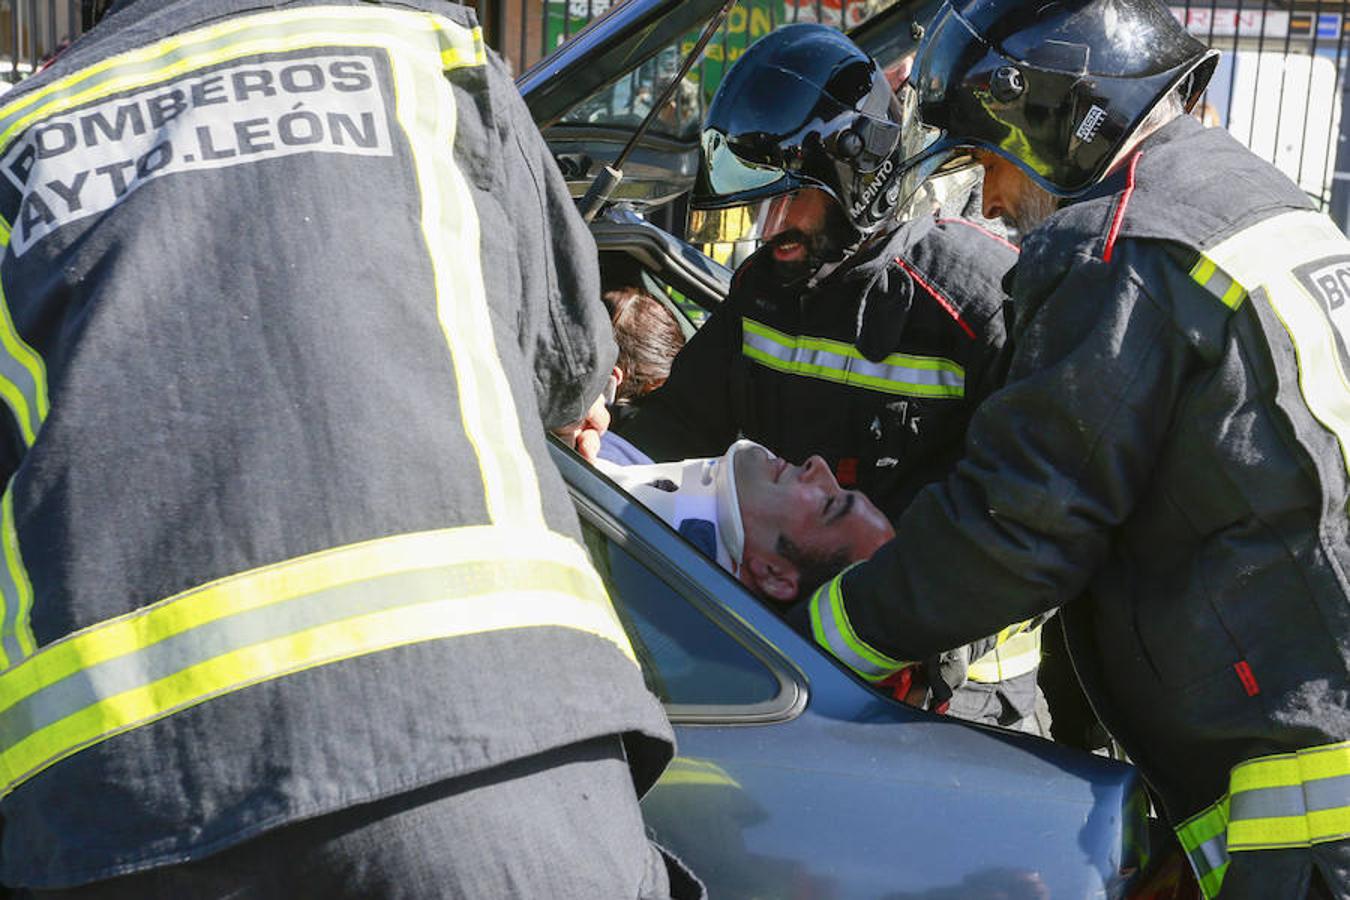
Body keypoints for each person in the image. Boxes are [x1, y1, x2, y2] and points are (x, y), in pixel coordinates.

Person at [0, 2, 698, 898]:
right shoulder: (417, 47)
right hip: (494, 765)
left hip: (128, 814)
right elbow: (567, 366)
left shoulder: (23, 135)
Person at [798, 0, 1350, 895]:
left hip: (1306, 805)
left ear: (1052, 116)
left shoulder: (1122, 248)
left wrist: (820, 640)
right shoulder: (1251, 201)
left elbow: (1020, 526)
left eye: (988, 158)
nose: (997, 199)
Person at [616, 23, 1045, 734]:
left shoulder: (980, 300)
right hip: (801, 674)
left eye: (793, 198)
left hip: (964, 699)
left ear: (861, 176)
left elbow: (1028, 514)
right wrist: (597, 469)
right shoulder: (768, 289)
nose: (769, 227)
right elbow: (676, 426)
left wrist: (913, 638)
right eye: (762, 202)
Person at [600, 439, 894, 604]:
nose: (818, 464)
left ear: (773, 575)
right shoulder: (634, 475)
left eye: (829, 503)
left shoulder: (636, 588)